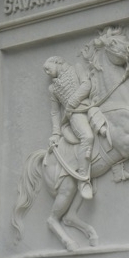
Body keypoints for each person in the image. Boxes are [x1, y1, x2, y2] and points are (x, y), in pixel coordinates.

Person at [44, 56, 94, 200]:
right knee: (87, 137)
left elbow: (86, 85)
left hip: (90, 105)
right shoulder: (53, 89)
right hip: (75, 116)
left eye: (48, 68)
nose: (47, 72)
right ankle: (84, 180)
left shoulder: (76, 67)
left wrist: (72, 102)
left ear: (56, 61)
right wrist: (55, 133)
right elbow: (54, 112)